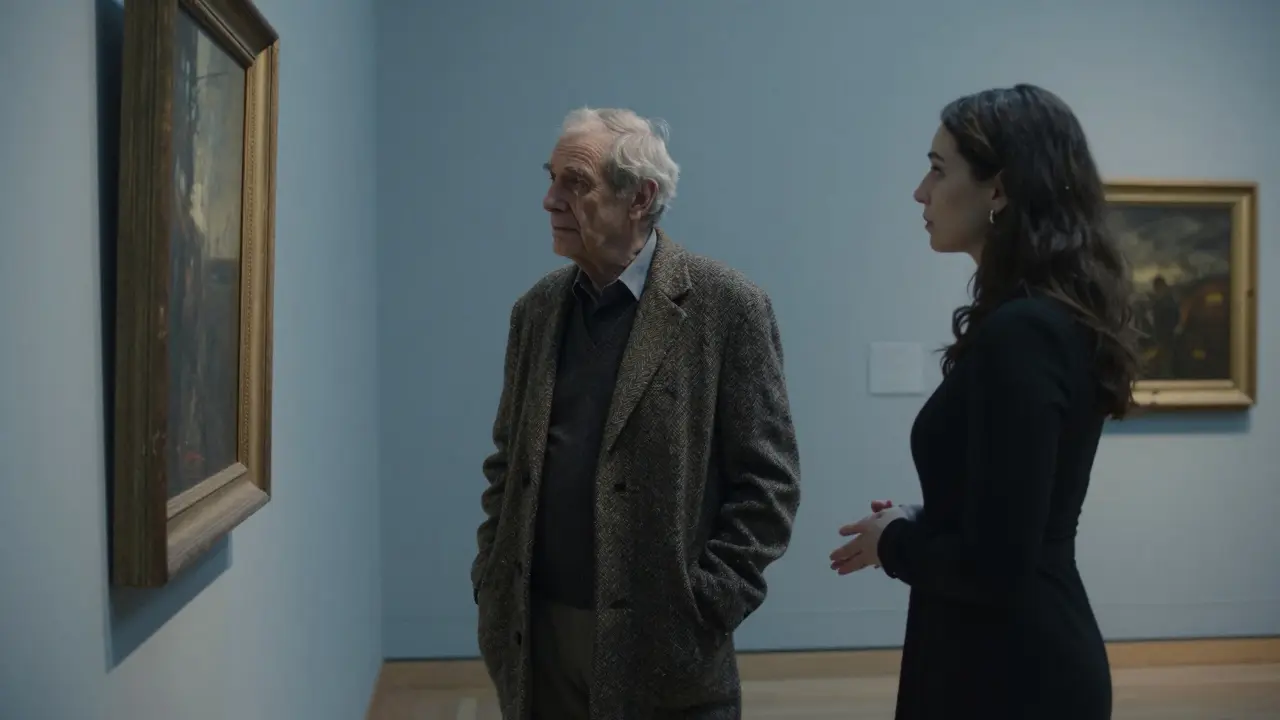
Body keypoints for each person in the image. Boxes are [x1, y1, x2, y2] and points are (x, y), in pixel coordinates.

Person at [472, 107, 802, 719]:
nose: (549, 200)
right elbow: (506, 460)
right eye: (551, 179)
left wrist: (708, 603)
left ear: (640, 197)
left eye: (575, 183)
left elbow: (769, 482)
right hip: (536, 630)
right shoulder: (537, 312)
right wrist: (491, 574)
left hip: (666, 642)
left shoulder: (726, 306)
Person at [828, 84, 1140, 720]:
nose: (920, 191)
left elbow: (997, 567)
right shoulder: (1039, 321)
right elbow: (1012, 510)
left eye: (939, 171)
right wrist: (928, 516)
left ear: (998, 190)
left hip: (1012, 672)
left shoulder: (1023, 332)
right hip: (1004, 655)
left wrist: (894, 544)